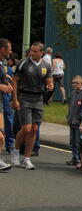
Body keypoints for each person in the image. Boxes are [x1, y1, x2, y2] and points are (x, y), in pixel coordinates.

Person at [11, 41, 53, 170]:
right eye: (31, 50)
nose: (32, 53)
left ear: (41, 53)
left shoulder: (46, 65)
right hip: (25, 98)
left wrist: (50, 85)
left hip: (38, 99)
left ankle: (27, 159)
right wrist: (15, 99)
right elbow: (14, 81)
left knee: (34, 129)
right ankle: (15, 151)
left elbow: (49, 80)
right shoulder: (23, 63)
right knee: (26, 129)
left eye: (35, 51)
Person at [66, 75, 82, 168]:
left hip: (79, 123)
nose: (74, 84)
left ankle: (80, 160)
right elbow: (70, 106)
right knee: (72, 141)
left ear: (81, 84)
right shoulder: (73, 93)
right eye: (73, 83)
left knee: (78, 141)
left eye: (76, 83)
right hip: (71, 121)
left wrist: (79, 118)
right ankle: (74, 157)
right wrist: (69, 117)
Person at [0, 38, 13, 171]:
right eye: (9, 49)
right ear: (3, 49)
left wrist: (7, 84)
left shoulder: (3, 63)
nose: (11, 51)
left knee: (1, 136)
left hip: (0, 104)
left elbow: (3, 78)